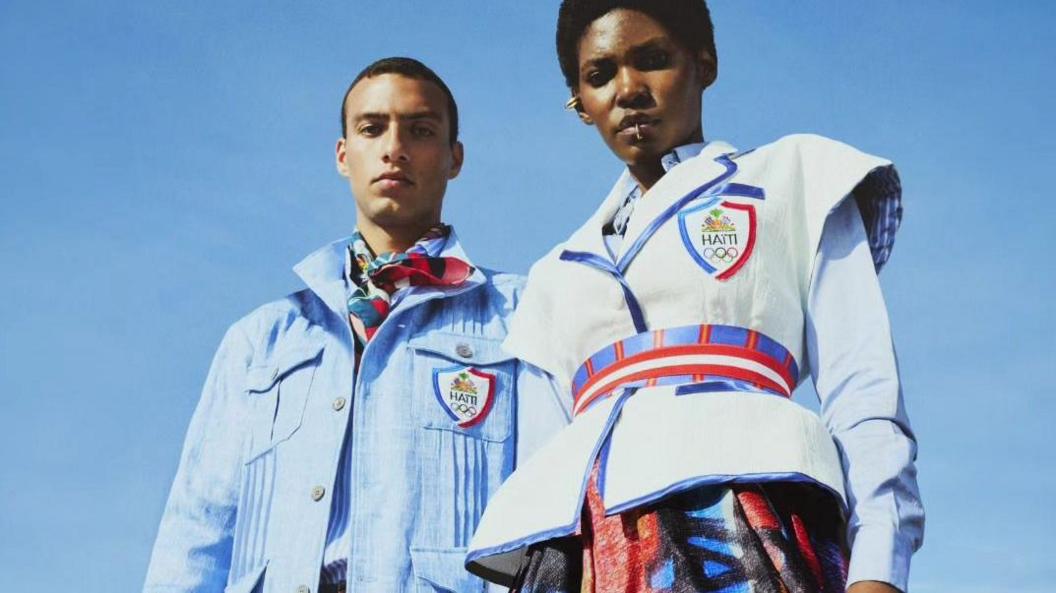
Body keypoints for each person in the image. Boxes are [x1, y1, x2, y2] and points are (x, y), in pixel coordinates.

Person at [466, 2, 923, 592]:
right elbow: (539, 462)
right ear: (579, 103)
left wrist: (878, 568)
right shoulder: (555, 273)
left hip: (748, 521)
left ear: (703, 64)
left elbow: (865, 393)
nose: (628, 90)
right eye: (600, 75)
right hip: (588, 558)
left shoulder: (793, 178)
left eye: (653, 61)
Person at [143, 57, 569, 593]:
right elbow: (197, 532)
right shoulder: (263, 340)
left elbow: (549, 515)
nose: (394, 147)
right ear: (344, 155)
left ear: (454, 157)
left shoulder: (517, 314)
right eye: (372, 128)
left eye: (421, 130)